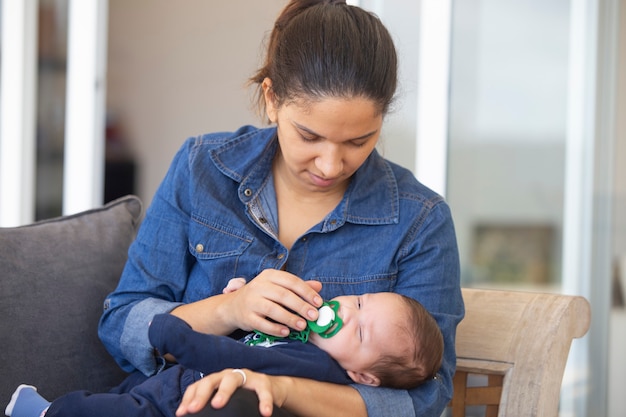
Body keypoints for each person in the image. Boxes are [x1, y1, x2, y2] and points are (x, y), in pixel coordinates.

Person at [94, 0, 463, 416]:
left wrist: (277, 388)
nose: (330, 165)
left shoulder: (421, 221)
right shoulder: (202, 167)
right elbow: (122, 324)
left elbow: (423, 400)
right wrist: (230, 309)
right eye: (309, 136)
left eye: (359, 141)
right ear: (272, 99)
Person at [5, 290, 444, 417]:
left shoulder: (313, 365)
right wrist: (236, 301)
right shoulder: (303, 336)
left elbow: (228, 356)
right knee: (121, 394)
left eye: (361, 332)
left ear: (365, 377)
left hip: (181, 398)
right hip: (170, 383)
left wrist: (173, 333)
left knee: (114, 411)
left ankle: (45, 413)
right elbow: (245, 335)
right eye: (361, 302)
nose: (346, 313)